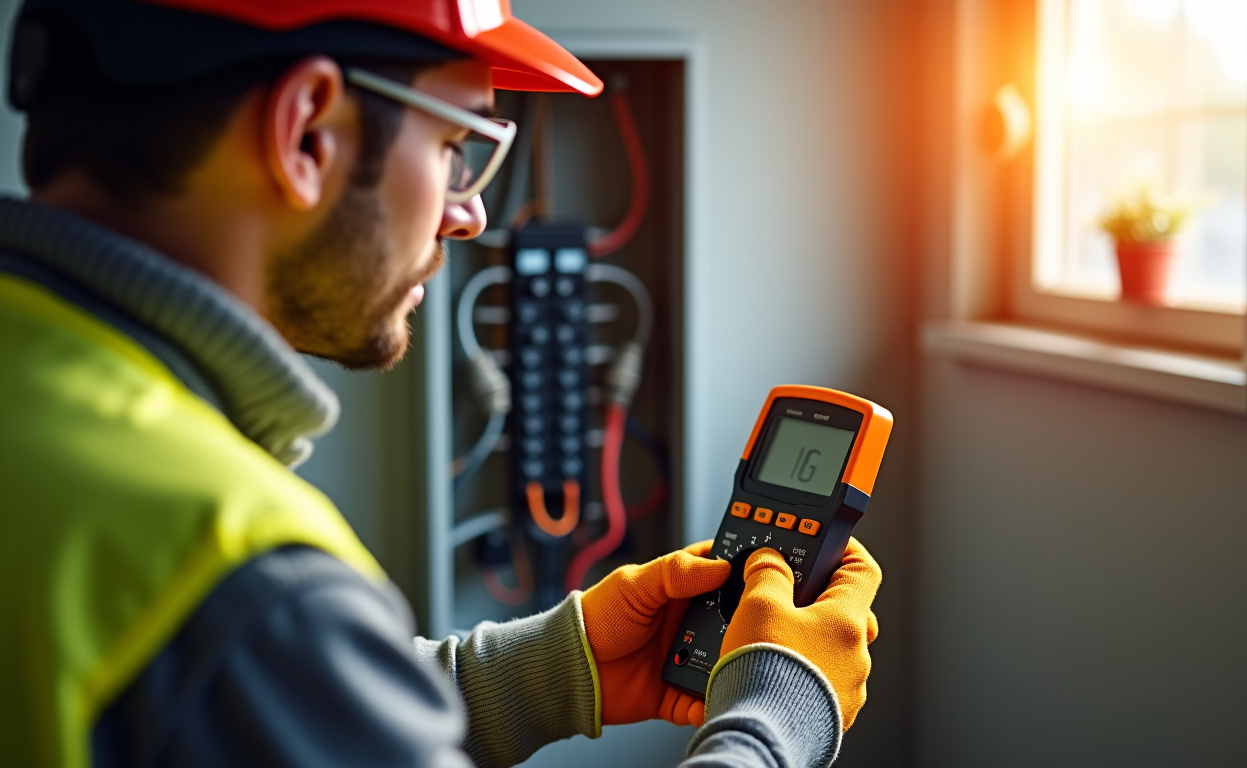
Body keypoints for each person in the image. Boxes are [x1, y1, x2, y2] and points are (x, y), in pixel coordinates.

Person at [0, 1, 883, 767]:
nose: (472, 213)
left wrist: (551, 670)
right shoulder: (239, 582)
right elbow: (260, 661)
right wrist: (775, 722)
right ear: (307, 130)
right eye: (458, 145)